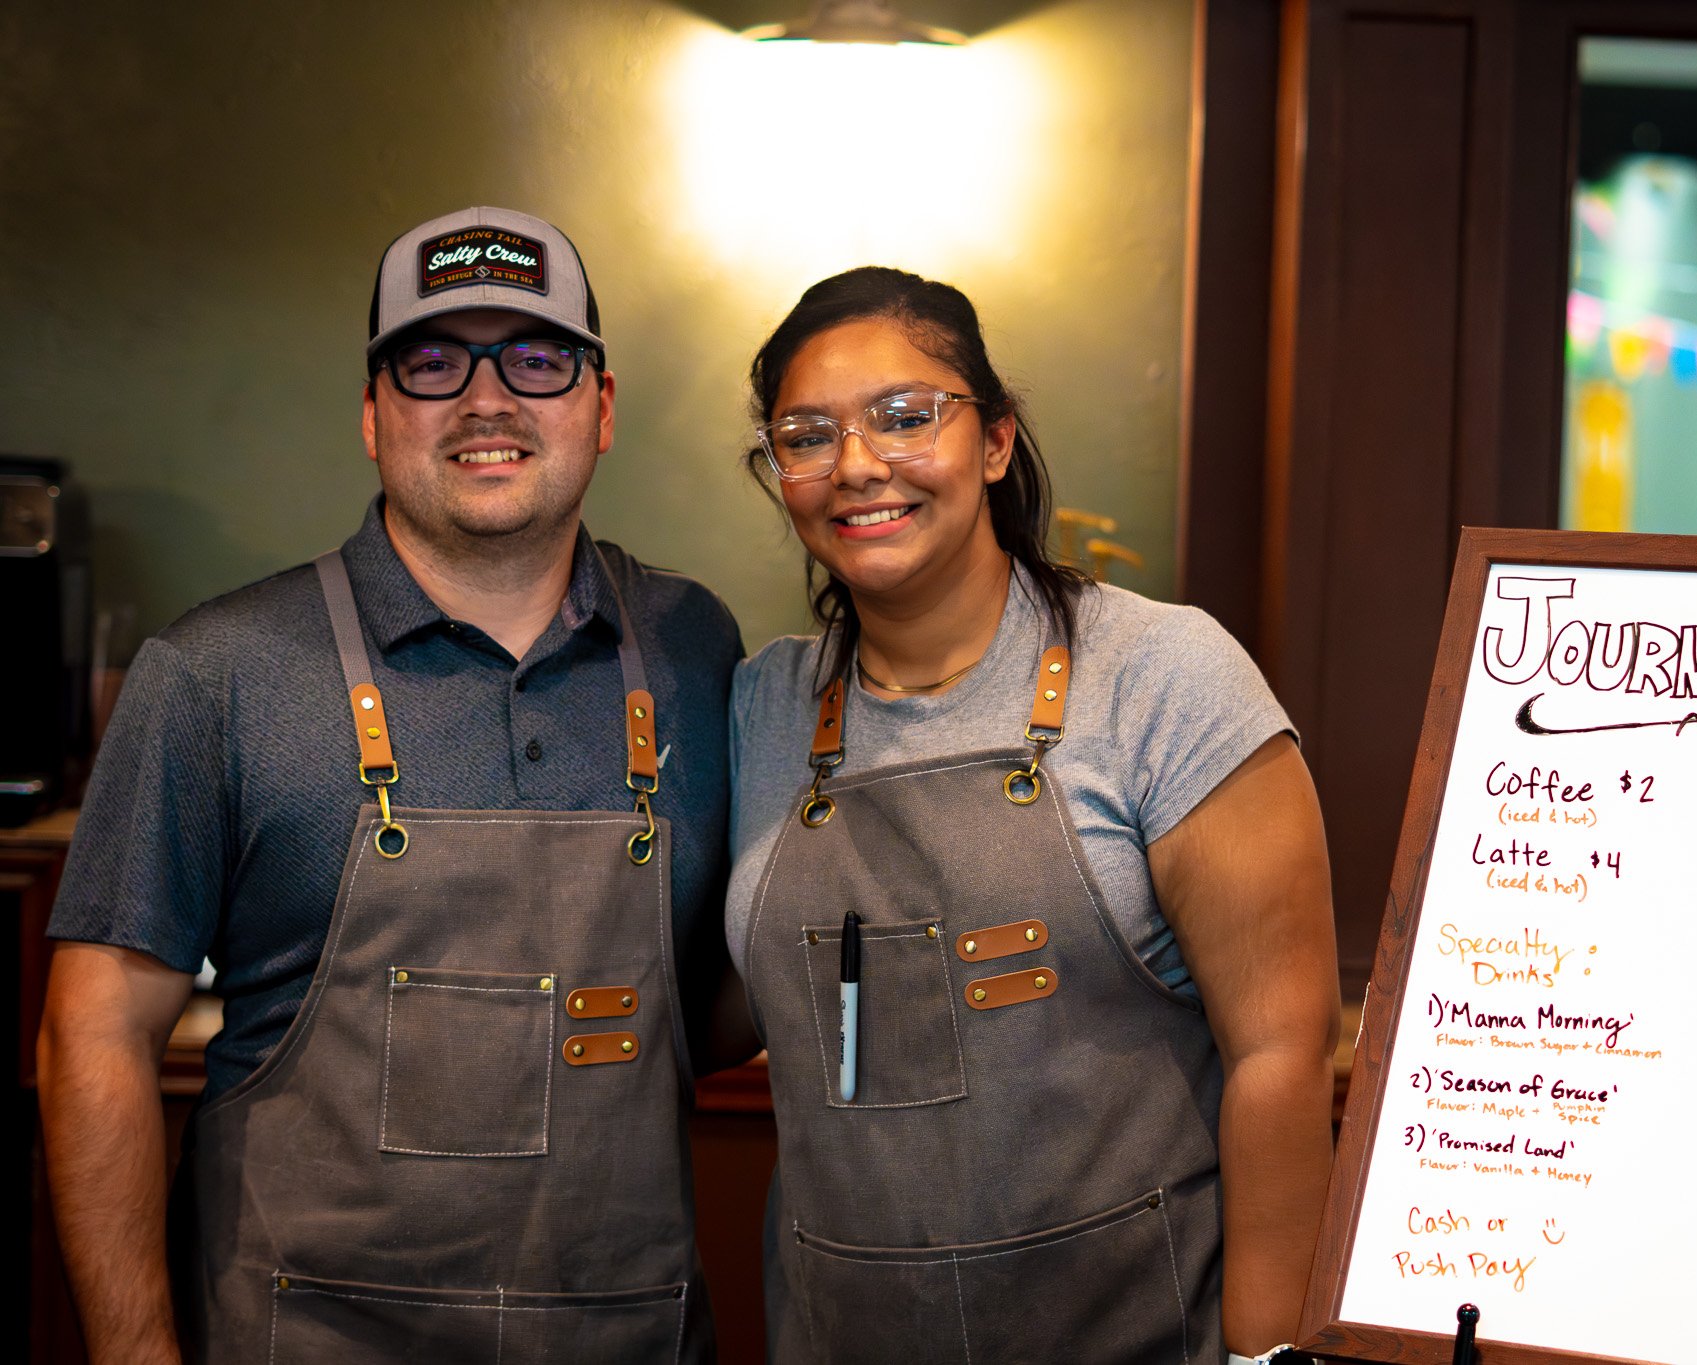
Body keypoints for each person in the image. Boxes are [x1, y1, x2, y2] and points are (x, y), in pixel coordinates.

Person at [37, 207, 742, 1363]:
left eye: (536, 356)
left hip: (625, 1334)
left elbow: (704, 1002)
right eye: (431, 362)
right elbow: (94, 1034)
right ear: (373, 416)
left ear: (600, 409)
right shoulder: (216, 673)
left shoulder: (695, 648)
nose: (486, 399)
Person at [726, 267, 1341, 1365]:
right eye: (805, 437)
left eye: (905, 417)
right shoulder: (760, 708)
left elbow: (1280, 1056)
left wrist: (1263, 1360)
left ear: (997, 442)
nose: (857, 466)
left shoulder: (1163, 677)